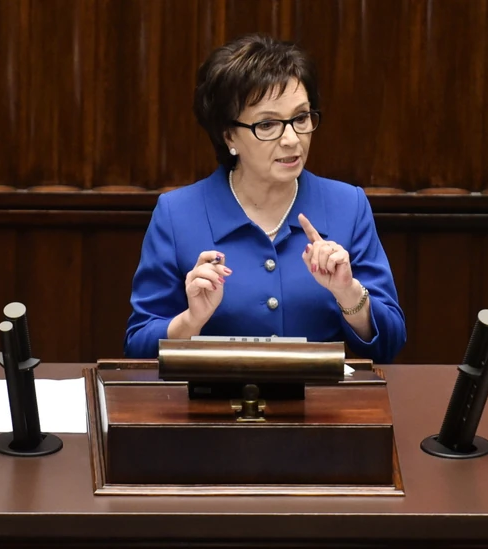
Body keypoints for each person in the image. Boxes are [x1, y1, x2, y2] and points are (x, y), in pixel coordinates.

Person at [124, 33, 406, 364]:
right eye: (268, 124)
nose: (292, 139)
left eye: (301, 118)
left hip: (319, 397)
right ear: (229, 135)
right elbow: (137, 347)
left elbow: (390, 343)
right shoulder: (177, 214)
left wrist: (349, 293)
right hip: (213, 396)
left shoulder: (347, 205)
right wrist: (191, 321)